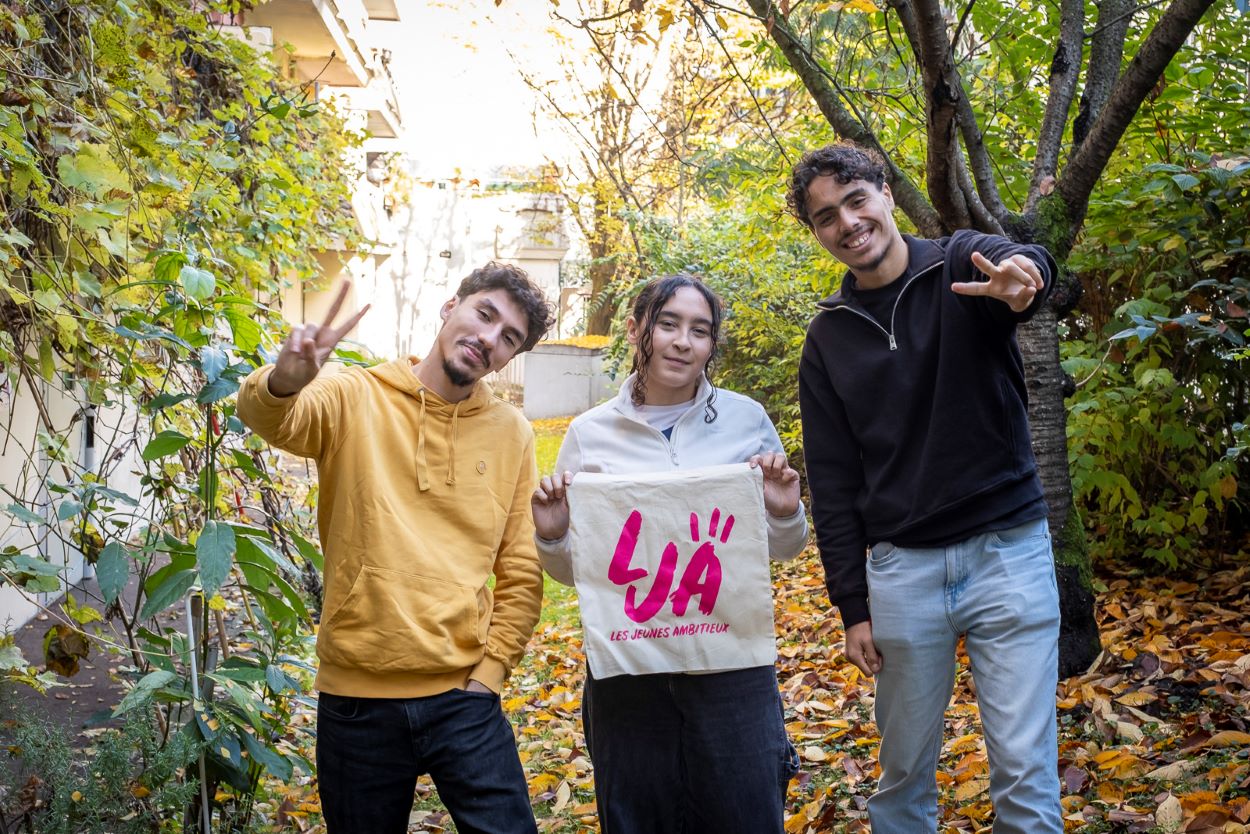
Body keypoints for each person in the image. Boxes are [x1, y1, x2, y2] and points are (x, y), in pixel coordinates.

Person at [790, 141, 1062, 834]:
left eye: (856, 200)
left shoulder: (959, 265)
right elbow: (832, 479)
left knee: (1026, 781)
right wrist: (852, 605)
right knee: (904, 777)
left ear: (884, 192)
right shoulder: (827, 338)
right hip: (902, 573)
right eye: (826, 217)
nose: (847, 223)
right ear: (817, 233)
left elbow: (1023, 270)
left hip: (1008, 554)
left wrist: (1024, 277)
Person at [237, 263, 555, 834]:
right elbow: (272, 418)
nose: (489, 338)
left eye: (509, 337)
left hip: (466, 696)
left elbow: (522, 565)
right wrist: (285, 380)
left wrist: (491, 673)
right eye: (484, 314)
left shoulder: (512, 432)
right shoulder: (356, 394)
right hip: (358, 700)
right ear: (450, 306)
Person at [531, 274, 808, 834]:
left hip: (732, 664)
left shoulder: (746, 419)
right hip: (630, 669)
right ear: (639, 330)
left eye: (700, 331)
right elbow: (577, 572)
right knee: (639, 818)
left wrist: (783, 510)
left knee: (746, 815)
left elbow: (780, 551)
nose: (683, 341)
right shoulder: (590, 433)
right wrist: (555, 534)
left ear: (711, 345)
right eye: (669, 324)